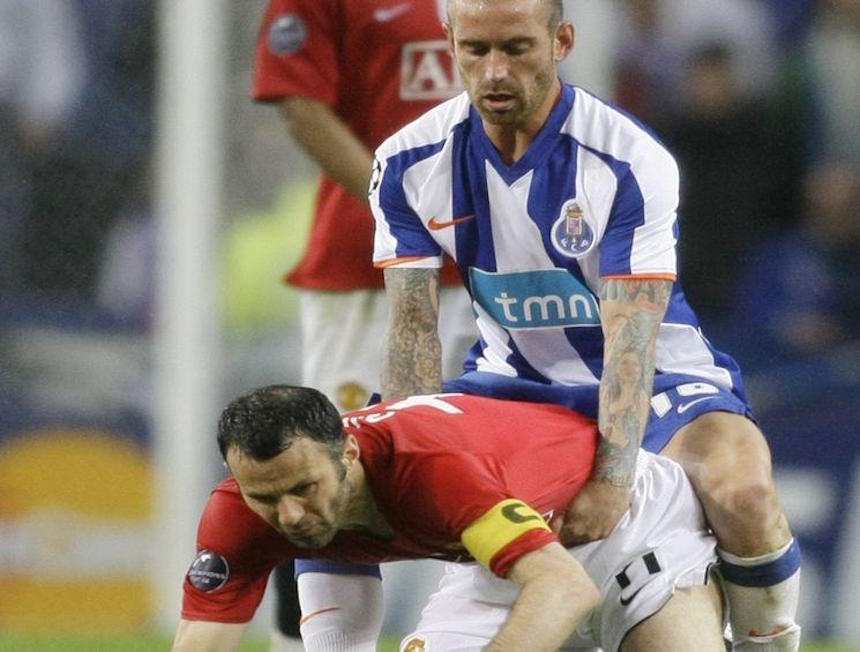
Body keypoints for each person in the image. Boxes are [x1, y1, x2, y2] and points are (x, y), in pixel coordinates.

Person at [367, 0, 801, 650]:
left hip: (659, 374)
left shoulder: (629, 158)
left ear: (561, 40)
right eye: (475, 51)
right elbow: (412, 329)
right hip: (510, 384)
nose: (494, 72)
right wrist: (412, 456)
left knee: (742, 493)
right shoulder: (406, 162)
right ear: (449, 43)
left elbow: (631, 332)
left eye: (516, 48)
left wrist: (613, 476)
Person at [172, 385, 724, 652]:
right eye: (264, 497)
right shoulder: (240, 512)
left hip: (631, 527)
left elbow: (564, 587)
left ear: (348, 454)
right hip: (503, 559)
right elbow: (202, 641)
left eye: (303, 489)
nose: (288, 516)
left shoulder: (429, 469)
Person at [251, 1, 476, 647]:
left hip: (493, 267)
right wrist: (401, 211)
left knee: (479, 469)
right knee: (334, 471)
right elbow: (300, 107)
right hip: (366, 271)